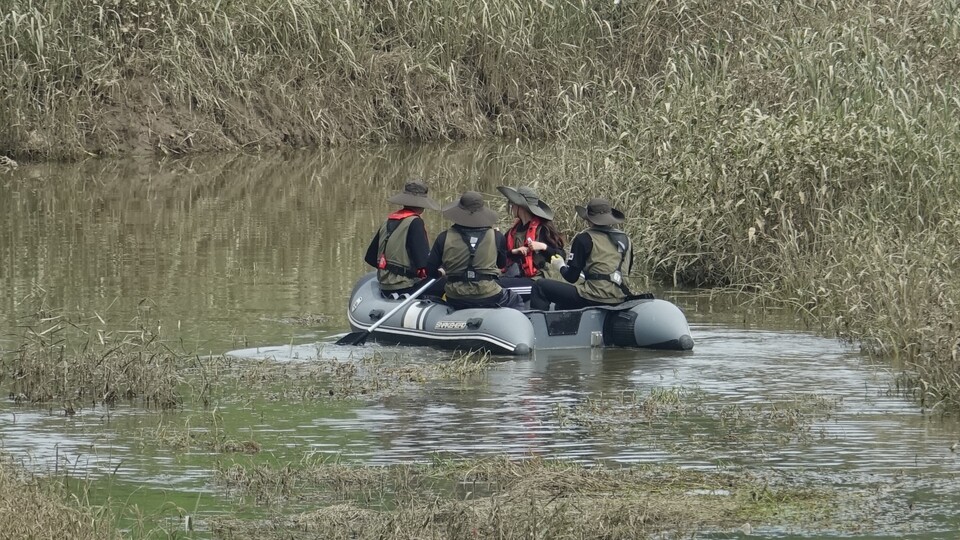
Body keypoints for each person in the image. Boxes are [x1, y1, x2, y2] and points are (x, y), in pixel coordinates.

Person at [529, 198, 635, 311]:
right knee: (562, 304)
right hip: (620, 297)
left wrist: (560, 266)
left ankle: (539, 327)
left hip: (593, 296)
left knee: (539, 286)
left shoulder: (584, 238)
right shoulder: (626, 239)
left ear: (588, 219)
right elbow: (625, 271)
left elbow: (571, 277)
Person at [426, 191, 524, 310]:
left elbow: (430, 271)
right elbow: (501, 264)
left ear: (459, 212)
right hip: (488, 294)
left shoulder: (444, 237)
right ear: (482, 213)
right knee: (515, 299)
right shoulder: (497, 236)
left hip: (455, 296)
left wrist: (442, 272)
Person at [364, 180, 443, 298]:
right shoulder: (415, 222)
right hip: (406, 287)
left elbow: (370, 258)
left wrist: (390, 271)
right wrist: (440, 271)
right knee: (449, 279)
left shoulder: (388, 221)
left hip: (385, 286)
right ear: (422, 204)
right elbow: (423, 264)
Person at [496, 186, 566, 298]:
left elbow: (561, 256)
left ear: (521, 207)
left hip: (535, 283)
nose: (511, 207)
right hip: (514, 277)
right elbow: (501, 256)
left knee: (496, 288)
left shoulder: (542, 229)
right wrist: (498, 239)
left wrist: (543, 247)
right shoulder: (513, 231)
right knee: (490, 284)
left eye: (512, 204)